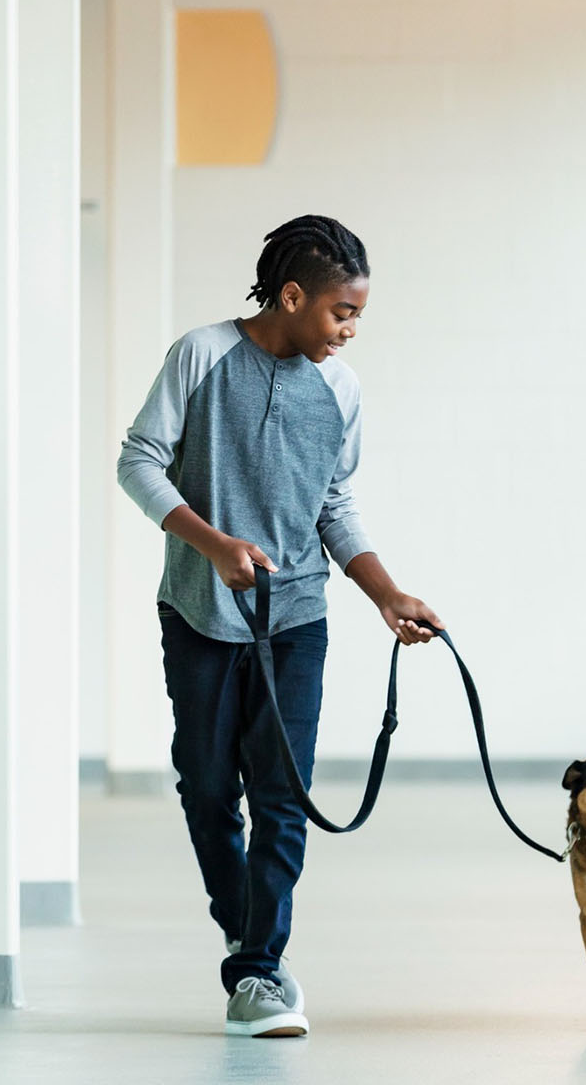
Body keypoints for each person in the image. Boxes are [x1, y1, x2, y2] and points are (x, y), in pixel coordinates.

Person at [118, 214, 442, 1040]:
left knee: (283, 793)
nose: (351, 330)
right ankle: (245, 931)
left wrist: (386, 593)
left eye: (358, 315)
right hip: (198, 611)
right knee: (204, 785)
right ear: (292, 296)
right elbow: (139, 460)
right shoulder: (200, 354)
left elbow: (333, 503)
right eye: (341, 312)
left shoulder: (343, 390)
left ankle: (258, 968)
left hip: (296, 616)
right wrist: (214, 543)